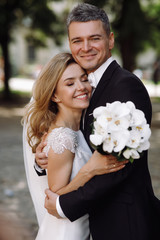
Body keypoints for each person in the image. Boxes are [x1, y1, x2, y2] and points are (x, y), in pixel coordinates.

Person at [34, 3, 160, 240]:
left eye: (94, 38)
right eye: (77, 41)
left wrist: (64, 204)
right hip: (97, 220)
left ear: (110, 40)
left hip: (124, 220)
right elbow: (75, 141)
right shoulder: (86, 88)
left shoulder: (125, 86)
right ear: (70, 43)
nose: (85, 48)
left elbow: (118, 166)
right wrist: (45, 158)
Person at [23, 52, 126, 240]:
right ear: (54, 95)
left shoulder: (81, 127)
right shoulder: (63, 137)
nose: (81, 87)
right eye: (70, 84)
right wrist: (89, 170)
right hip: (66, 233)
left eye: (84, 79)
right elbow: (54, 198)